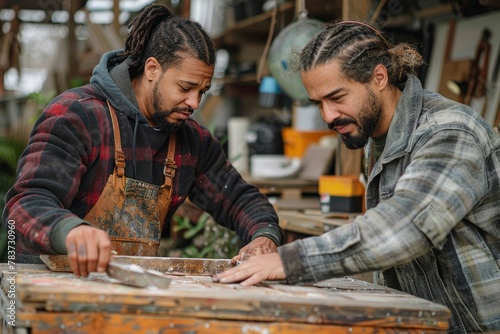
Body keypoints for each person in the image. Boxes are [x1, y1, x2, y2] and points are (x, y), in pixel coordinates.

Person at [213, 20, 500, 333]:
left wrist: (289, 261)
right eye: (318, 103)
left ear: (379, 77)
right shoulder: (377, 135)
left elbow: (405, 227)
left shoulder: (449, 132)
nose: (327, 116)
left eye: (337, 97)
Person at [2, 4, 283, 277]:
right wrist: (70, 231)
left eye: (203, 91)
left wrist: (264, 235)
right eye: (186, 87)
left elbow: (239, 198)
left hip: (129, 291)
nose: (194, 103)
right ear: (152, 69)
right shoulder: (78, 115)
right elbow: (23, 205)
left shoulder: (191, 140)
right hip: (48, 285)